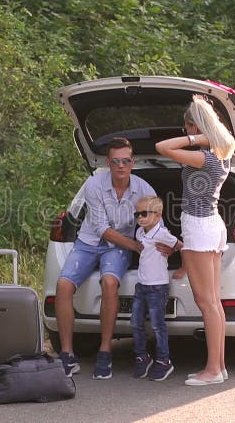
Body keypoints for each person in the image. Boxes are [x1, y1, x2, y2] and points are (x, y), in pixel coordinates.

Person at [55, 137, 156, 380]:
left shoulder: (145, 190)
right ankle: (67, 355)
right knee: (63, 285)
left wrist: (160, 246)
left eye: (125, 160)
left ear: (133, 162)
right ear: (108, 162)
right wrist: (135, 246)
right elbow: (100, 228)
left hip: (116, 248)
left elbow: (154, 223)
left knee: (110, 283)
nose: (120, 165)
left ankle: (105, 352)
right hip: (89, 241)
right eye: (115, 161)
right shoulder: (94, 185)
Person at [155, 94, 235, 386]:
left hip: (201, 227)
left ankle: (213, 371)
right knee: (213, 302)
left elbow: (161, 147)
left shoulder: (204, 156)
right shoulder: (221, 154)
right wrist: (202, 136)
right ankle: (219, 367)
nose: (184, 132)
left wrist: (194, 138)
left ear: (195, 126)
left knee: (207, 301)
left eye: (187, 126)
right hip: (210, 225)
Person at [130, 195, 183, 382]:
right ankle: (142, 357)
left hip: (157, 287)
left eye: (144, 213)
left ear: (158, 215)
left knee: (157, 326)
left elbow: (181, 246)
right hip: (141, 286)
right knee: (135, 323)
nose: (140, 218)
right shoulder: (140, 232)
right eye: (137, 214)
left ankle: (163, 361)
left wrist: (179, 262)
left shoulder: (162, 234)